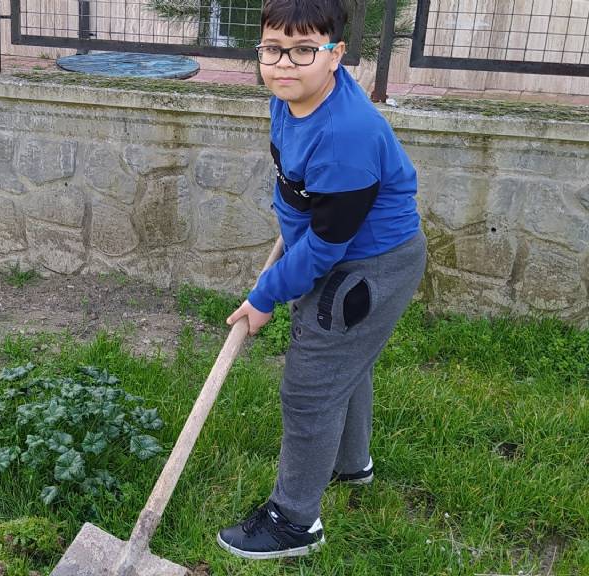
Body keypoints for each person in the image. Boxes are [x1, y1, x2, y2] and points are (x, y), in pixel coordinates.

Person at [216, 0, 428, 560]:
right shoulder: (288, 99)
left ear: (336, 56)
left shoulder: (347, 135)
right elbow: (297, 180)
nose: (285, 64)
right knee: (346, 362)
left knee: (312, 385)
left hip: (367, 266)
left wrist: (264, 296)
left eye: (304, 50)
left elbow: (330, 244)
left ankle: (294, 523)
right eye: (272, 49)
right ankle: (349, 466)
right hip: (333, 246)